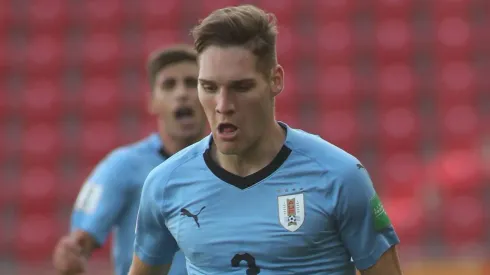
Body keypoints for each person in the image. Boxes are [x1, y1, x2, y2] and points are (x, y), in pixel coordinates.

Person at [129, 5, 403, 275]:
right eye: (209, 87)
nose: (223, 105)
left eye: (241, 87)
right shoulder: (165, 184)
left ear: (275, 80)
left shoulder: (339, 176)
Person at [52, 44, 207, 275]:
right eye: (169, 84)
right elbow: (80, 242)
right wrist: (71, 254)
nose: (182, 93)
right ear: (152, 101)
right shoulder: (123, 166)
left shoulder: (230, 165)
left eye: (191, 83)